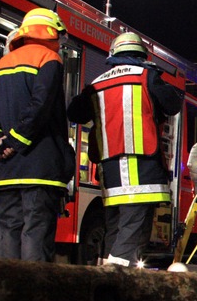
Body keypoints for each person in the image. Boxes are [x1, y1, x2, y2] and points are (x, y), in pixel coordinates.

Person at [68, 32, 183, 266]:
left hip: (110, 173)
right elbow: (173, 104)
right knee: (132, 232)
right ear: (141, 54)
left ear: (113, 54)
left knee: (115, 229)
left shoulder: (97, 84)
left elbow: (75, 113)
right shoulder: (147, 76)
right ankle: (115, 287)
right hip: (142, 170)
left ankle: (104, 280)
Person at [0, 8, 75, 261]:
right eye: (59, 38)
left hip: (5, 169)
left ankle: (1, 288)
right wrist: (14, 141)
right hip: (40, 167)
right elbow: (41, 105)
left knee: (6, 229)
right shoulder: (48, 59)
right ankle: (33, 293)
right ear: (51, 33)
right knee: (36, 233)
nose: (60, 44)